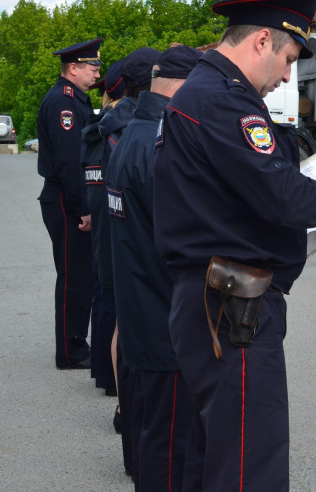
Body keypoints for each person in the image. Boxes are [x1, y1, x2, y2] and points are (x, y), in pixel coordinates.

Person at [152, 0, 316, 490]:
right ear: (263, 39)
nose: (286, 76)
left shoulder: (208, 92)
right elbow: (278, 193)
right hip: (230, 302)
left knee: (216, 452)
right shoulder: (222, 98)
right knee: (247, 461)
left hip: (219, 294)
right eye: (287, 59)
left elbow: (239, 206)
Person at [107, 45, 202, 490]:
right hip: (165, 315)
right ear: (182, 86)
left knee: (150, 431)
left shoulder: (134, 131)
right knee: (171, 444)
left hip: (141, 309)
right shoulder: (160, 141)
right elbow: (188, 236)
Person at [37, 38, 101, 369]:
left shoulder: (75, 99)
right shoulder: (64, 104)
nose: (96, 74)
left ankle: (76, 341)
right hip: (66, 199)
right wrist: (84, 209)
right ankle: (70, 351)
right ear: (72, 69)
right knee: (74, 276)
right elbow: (70, 164)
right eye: (92, 68)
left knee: (82, 275)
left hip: (68, 197)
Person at [80, 59, 126, 395]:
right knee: (112, 297)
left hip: (99, 210)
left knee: (103, 292)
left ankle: (103, 370)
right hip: (111, 218)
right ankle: (112, 377)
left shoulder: (99, 124)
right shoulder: (115, 127)